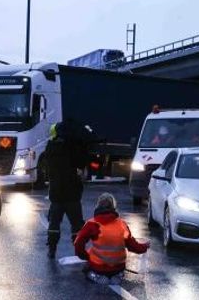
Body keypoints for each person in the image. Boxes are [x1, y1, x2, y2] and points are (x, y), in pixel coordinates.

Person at [74, 193, 149, 285]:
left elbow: (78, 243)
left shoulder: (91, 224)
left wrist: (85, 256)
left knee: (86, 267)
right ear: (113, 207)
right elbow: (133, 246)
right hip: (118, 266)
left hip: (98, 266)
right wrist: (144, 246)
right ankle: (117, 275)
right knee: (117, 268)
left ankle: (95, 276)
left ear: (98, 206)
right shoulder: (122, 225)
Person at [46, 119, 90, 258]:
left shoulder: (51, 146)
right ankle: (79, 250)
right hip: (72, 193)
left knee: (54, 224)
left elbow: (47, 166)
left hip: (56, 193)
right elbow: (82, 161)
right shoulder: (73, 146)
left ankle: (52, 249)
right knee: (77, 225)